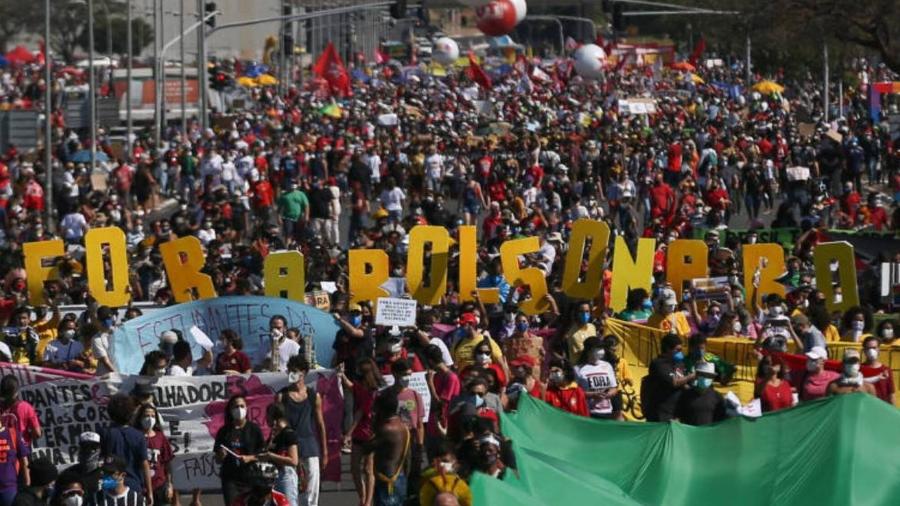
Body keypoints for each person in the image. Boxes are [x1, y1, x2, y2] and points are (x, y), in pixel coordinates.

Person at [279, 357, 327, 506]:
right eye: (289, 370)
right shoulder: (282, 396)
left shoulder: (314, 396)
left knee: (311, 493)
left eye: (295, 371)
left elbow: (320, 424)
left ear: (303, 373)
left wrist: (324, 452)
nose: (291, 374)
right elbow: (277, 425)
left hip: (310, 448)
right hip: (289, 449)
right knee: (291, 491)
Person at [98, 395, 152, 505]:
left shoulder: (105, 433)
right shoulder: (138, 435)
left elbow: (99, 460)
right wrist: (150, 492)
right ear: (131, 413)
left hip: (110, 482)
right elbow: (145, 464)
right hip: (134, 484)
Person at [214, 395, 265, 506]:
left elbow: (263, 454)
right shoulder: (224, 431)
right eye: (236, 406)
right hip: (230, 479)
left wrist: (249, 458)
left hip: (251, 478)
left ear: (246, 408)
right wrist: (220, 456)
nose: (239, 409)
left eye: (242, 406)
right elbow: (217, 458)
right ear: (231, 410)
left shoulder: (254, 429)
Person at [368, 391, 410, 506]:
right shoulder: (403, 427)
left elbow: (367, 448)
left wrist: (373, 424)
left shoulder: (386, 429)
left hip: (387, 482)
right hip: (400, 478)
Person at [642, 333, 696, 422]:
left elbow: (684, 384)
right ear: (667, 349)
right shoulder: (659, 364)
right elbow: (674, 382)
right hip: (661, 414)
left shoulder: (679, 364)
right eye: (677, 350)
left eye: (681, 350)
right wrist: (692, 376)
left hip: (677, 412)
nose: (680, 353)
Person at [134, 405, 175, 506]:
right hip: (140, 487)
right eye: (146, 415)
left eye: (153, 416)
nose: (150, 419)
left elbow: (167, 463)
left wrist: (169, 484)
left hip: (160, 486)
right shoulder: (134, 436)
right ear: (140, 418)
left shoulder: (160, 437)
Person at [260, 403, 299, 506]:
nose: (266, 418)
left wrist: (270, 456)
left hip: (285, 476)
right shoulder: (273, 435)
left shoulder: (288, 434)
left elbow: (294, 461)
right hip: (272, 476)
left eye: (267, 415)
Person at [574, 336, 619, 420]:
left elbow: (614, 388)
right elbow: (574, 393)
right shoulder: (578, 369)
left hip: (607, 412)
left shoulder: (607, 365)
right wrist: (592, 395)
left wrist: (610, 393)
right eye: (598, 348)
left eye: (602, 348)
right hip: (588, 413)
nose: (601, 351)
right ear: (588, 351)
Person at [418, 441, 471, 506]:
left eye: (445, 461)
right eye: (438, 462)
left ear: (455, 463)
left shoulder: (466, 486)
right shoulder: (424, 486)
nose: (441, 466)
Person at [676, 362, 727, 426]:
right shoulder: (685, 395)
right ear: (696, 376)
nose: (705, 378)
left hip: (709, 434)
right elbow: (678, 417)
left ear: (712, 378)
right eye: (703, 375)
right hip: (689, 434)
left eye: (709, 376)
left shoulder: (717, 397)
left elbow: (721, 421)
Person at [0, 376, 41, 448]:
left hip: (3, 450)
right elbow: (37, 433)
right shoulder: (26, 407)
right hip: (22, 450)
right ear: (16, 391)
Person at [861, 336, 895, 404]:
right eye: (868, 348)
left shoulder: (886, 370)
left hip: (881, 410)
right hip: (865, 409)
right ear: (864, 351)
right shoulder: (858, 369)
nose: (871, 351)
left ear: (879, 350)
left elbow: (891, 395)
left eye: (874, 348)